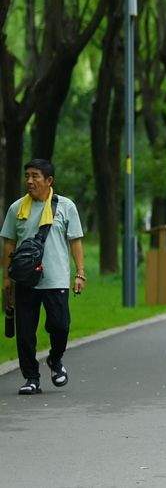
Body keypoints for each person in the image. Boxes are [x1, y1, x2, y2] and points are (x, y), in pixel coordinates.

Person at [1, 159, 86, 395]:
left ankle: (55, 360)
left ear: (49, 181)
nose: (29, 181)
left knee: (60, 325)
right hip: (25, 280)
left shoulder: (66, 206)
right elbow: (9, 244)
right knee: (26, 333)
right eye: (27, 175)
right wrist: (6, 281)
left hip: (56, 279)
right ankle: (31, 378)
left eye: (35, 176)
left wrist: (80, 272)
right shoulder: (16, 208)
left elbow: (75, 241)